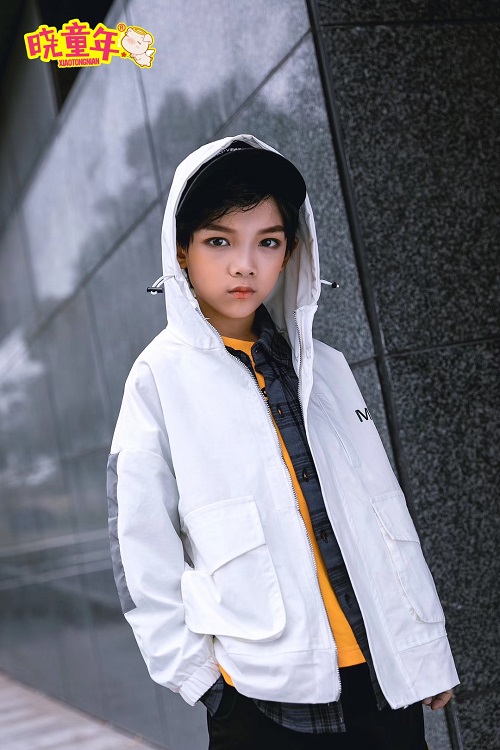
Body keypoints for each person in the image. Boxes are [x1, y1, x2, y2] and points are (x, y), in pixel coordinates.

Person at [106, 134, 459, 749]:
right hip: (261, 696)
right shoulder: (158, 379)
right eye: (220, 241)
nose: (245, 264)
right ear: (182, 250)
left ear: (291, 251)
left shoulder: (327, 368)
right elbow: (140, 545)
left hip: (380, 680)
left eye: (267, 242)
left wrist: (423, 650)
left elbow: (385, 514)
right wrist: (202, 682)